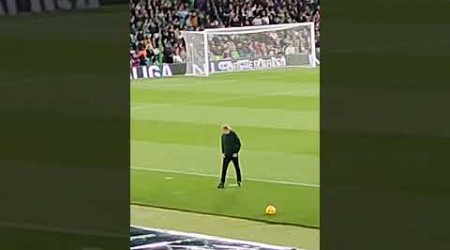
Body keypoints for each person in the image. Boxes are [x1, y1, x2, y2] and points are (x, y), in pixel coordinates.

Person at [218, 124, 242, 189]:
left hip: (233, 155)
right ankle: (222, 182)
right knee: (224, 169)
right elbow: (222, 145)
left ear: (227, 129)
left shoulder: (233, 135)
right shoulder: (223, 136)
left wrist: (236, 152)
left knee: (237, 168)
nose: (223, 132)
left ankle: (239, 180)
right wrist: (223, 152)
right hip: (226, 155)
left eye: (224, 130)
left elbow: (239, 144)